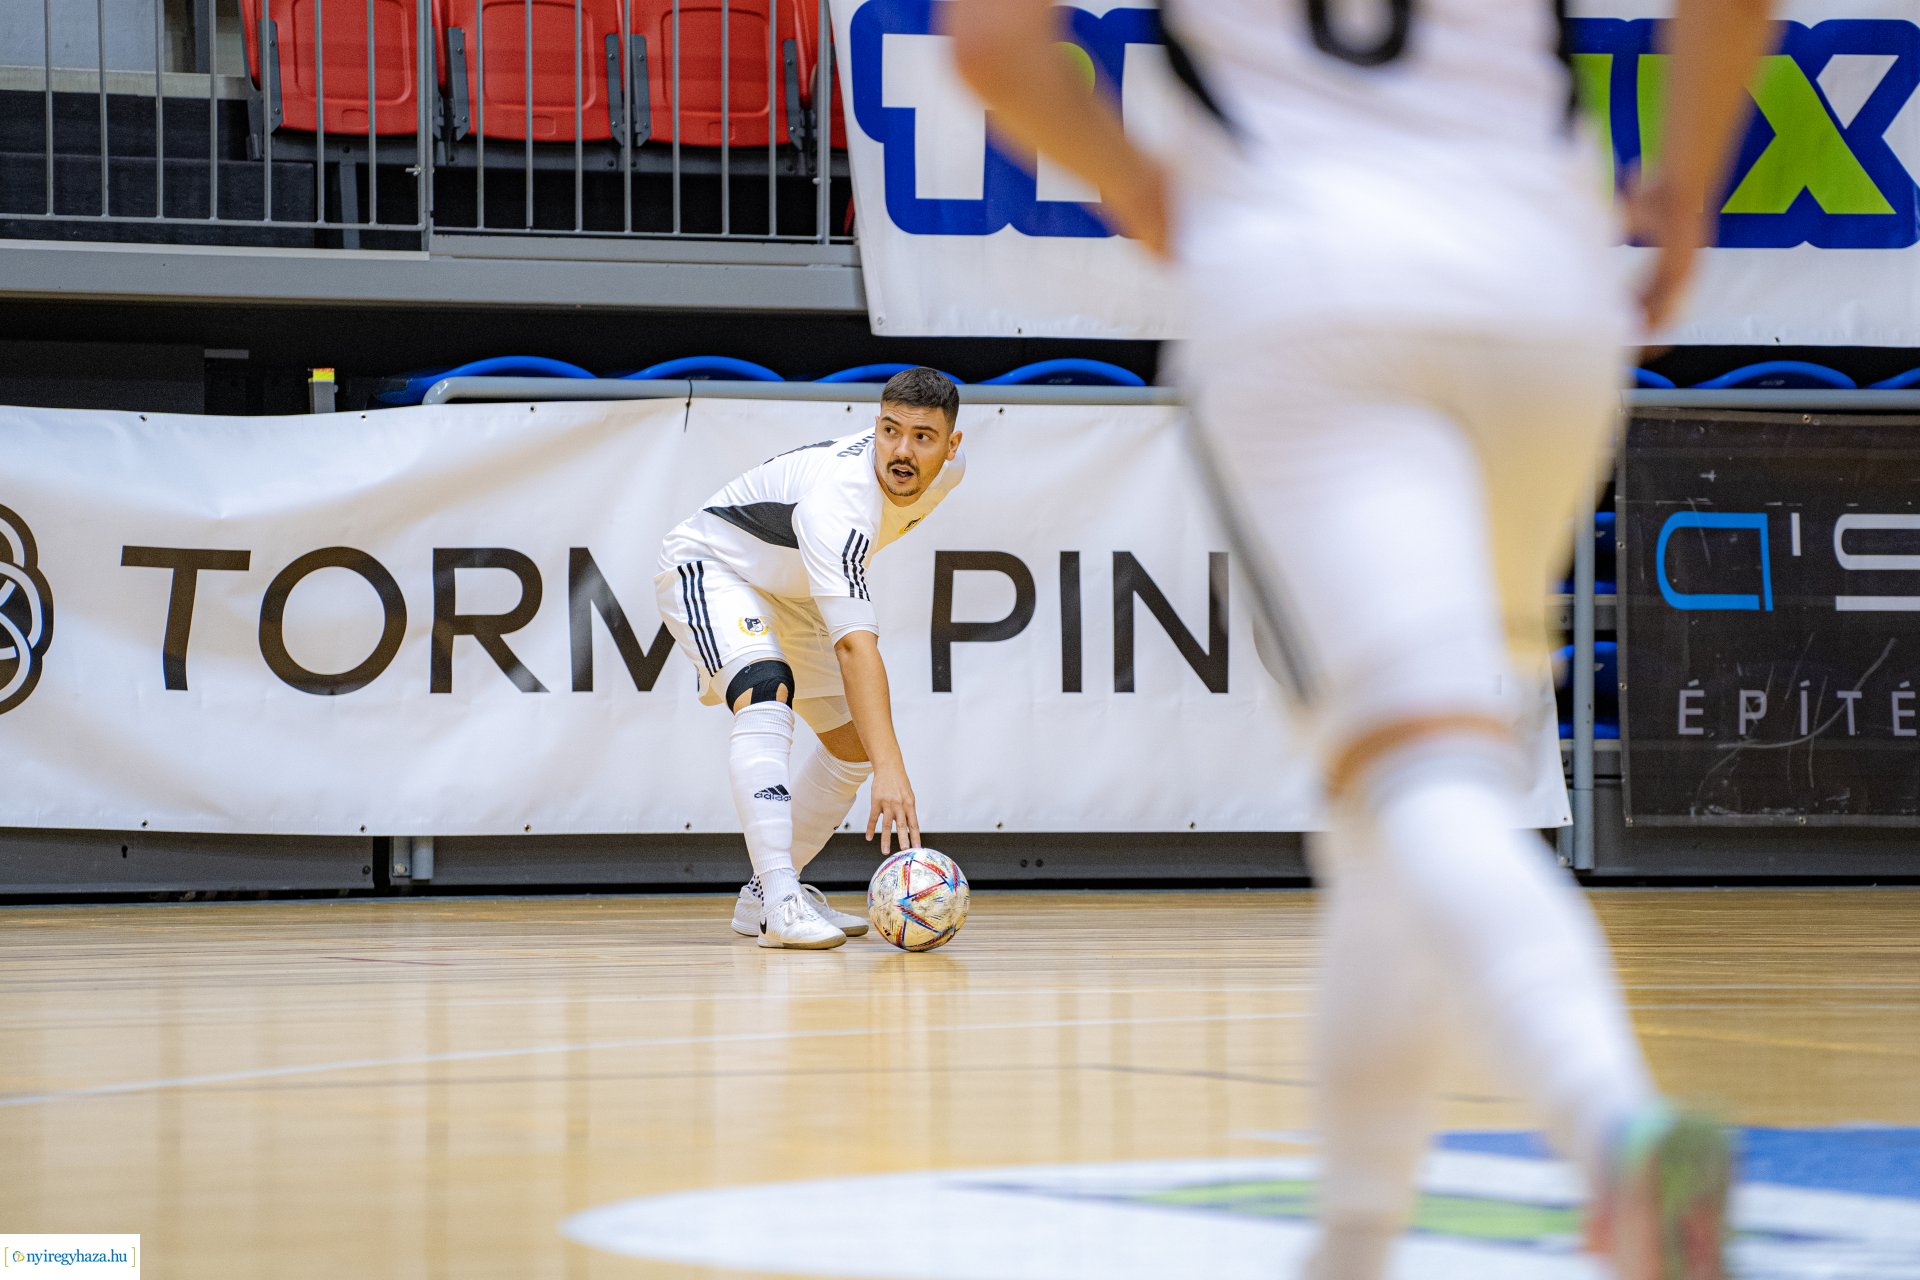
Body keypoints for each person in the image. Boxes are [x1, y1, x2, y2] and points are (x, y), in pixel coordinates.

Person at [950, 1, 1771, 1276]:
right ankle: (1351, 1243)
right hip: (1543, 285)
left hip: (1308, 279)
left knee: (1422, 780)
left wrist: (1140, 184)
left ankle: (1616, 1130)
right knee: (1392, 805)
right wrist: (1688, 184)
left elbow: (993, 45)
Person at [654, 367, 965, 949]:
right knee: (766, 691)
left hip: (790, 591)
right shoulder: (840, 503)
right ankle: (780, 900)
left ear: (952, 446)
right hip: (713, 566)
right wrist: (892, 770)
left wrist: (877, 757)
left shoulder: (950, 476)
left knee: (851, 745)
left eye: (922, 437)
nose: (901, 451)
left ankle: (761, 898)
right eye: (890, 430)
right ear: (874, 425)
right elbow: (854, 646)